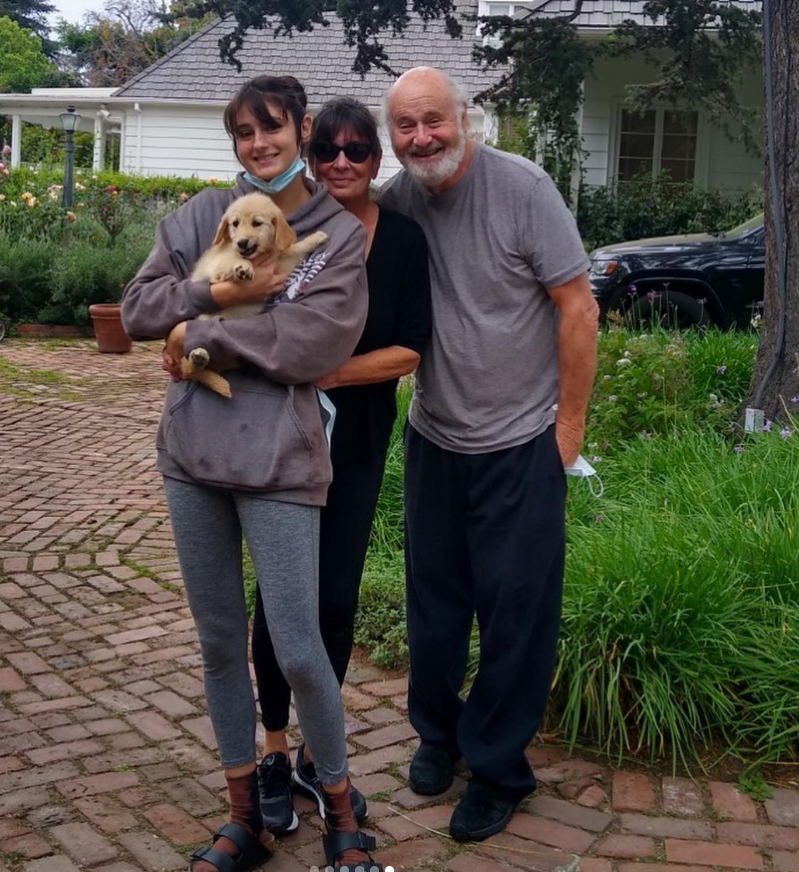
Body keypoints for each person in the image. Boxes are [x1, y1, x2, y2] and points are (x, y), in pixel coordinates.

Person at [121, 76, 385, 872]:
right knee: (214, 643)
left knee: (300, 649)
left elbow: (316, 346)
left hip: (277, 461)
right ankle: (243, 814)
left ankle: (340, 811)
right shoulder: (203, 217)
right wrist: (208, 295)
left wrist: (201, 334)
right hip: (192, 458)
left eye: (270, 129)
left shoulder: (334, 235)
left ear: (299, 129)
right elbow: (137, 309)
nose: (258, 145)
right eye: (243, 133)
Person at [378, 67, 600, 842]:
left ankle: (500, 768)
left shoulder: (523, 187)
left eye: (432, 120)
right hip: (436, 438)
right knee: (434, 611)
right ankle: (439, 738)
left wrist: (565, 434)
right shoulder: (397, 199)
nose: (420, 138)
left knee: (516, 616)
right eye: (403, 126)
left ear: (463, 118)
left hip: (519, 443)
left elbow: (577, 309)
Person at [249, 97, 432, 835]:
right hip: (278, 443)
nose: (341, 163)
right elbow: (232, 306)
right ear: (310, 153)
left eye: (358, 151)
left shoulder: (404, 242)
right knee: (276, 597)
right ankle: (268, 750)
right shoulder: (286, 228)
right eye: (327, 149)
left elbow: (411, 350)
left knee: (333, 601)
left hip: (355, 444)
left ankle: (316, 759)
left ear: (377, 160)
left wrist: (329, 371)